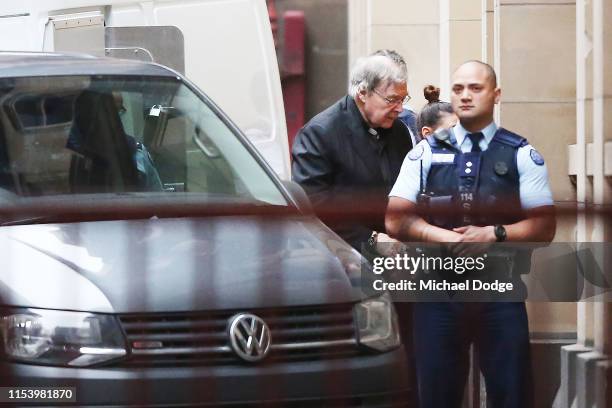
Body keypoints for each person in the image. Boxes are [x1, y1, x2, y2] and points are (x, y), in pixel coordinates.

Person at [385, 60, 556, 408]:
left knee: (512, 394)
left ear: (495, 95)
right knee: (435, 394)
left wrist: (494, 234)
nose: (465, 96)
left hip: (500, 292)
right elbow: (395, 219)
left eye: (475, 88)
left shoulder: (521, 153)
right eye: (458, 89)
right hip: (438, 294)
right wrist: (445, 237)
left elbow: (545, 225)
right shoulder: (425, 153)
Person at [291, 50, 412, 254]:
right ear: (363, 93)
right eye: (392, 100)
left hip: (398, 250)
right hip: (343, 255)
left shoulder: (399, 131)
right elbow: (314, 206)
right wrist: (372, 239)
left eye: (403, 99)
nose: (400, 109)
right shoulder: (320, 133)